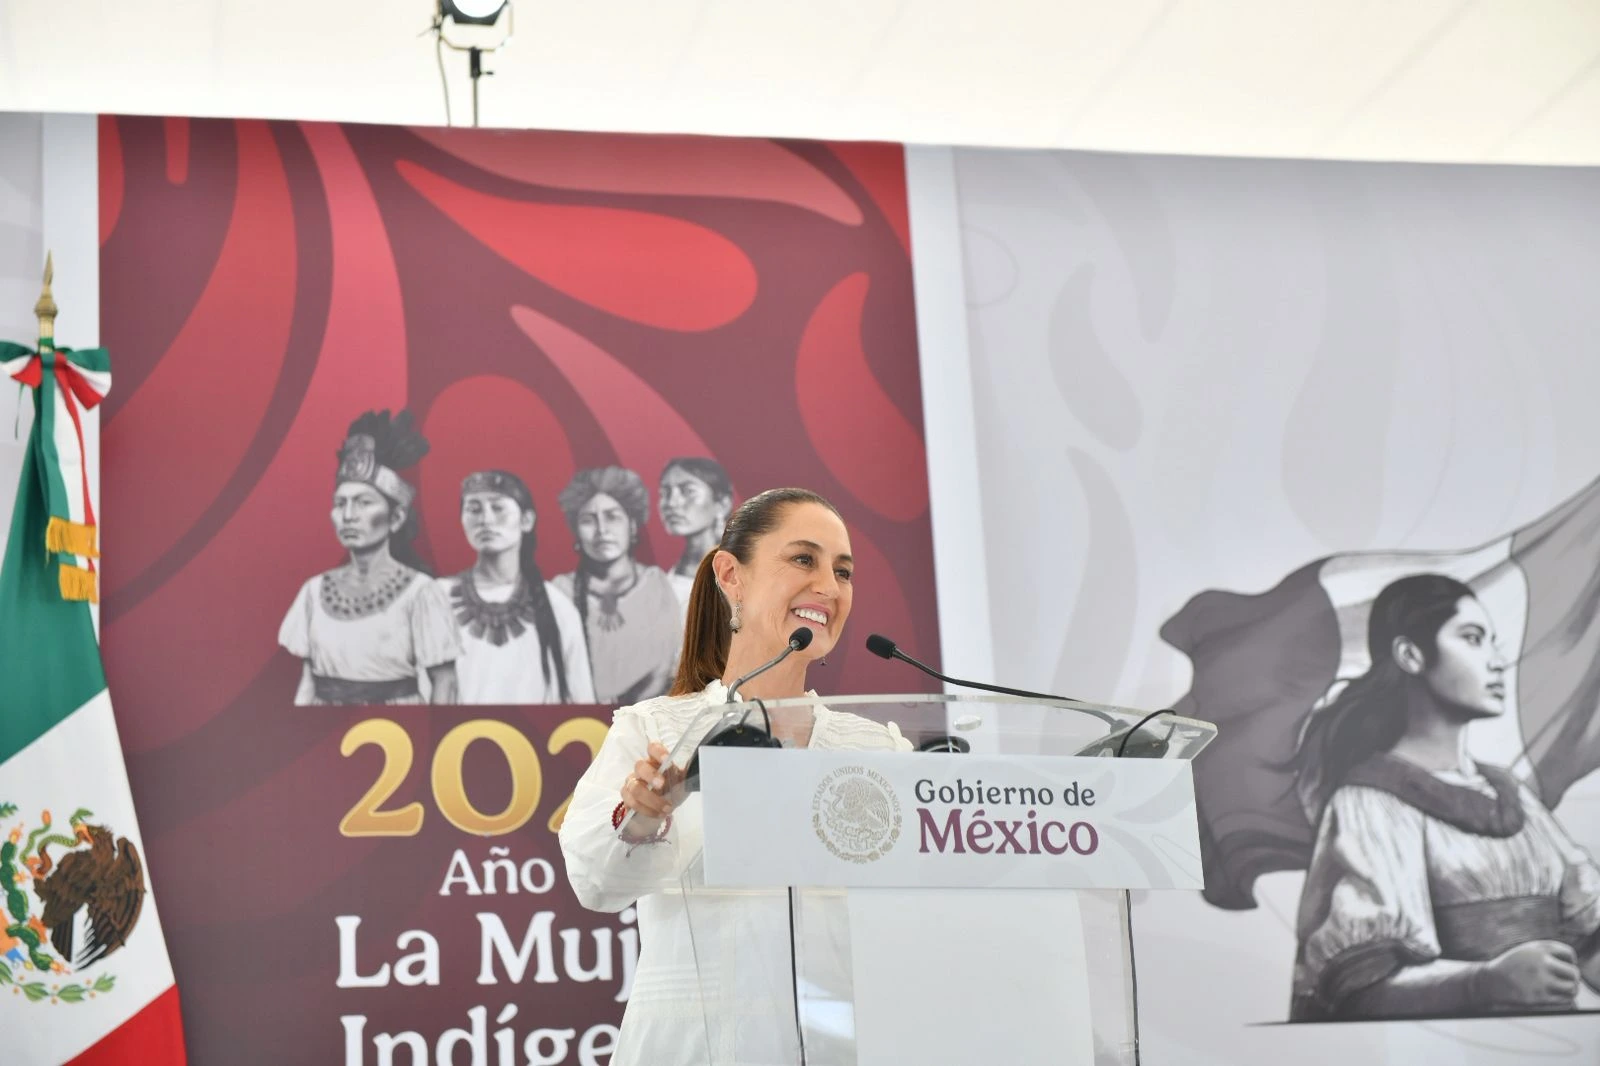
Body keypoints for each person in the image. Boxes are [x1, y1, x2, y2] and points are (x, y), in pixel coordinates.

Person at [558, 487, 910, 1066]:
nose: (829, 585)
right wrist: (646, 811)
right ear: (731, 575)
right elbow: (596, 884)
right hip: (695, 1046)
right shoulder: (655, 729)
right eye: (804, 559)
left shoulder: (876, 748)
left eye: (843, 571)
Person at [1289, 573, 1600, 1020]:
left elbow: (1589, 938)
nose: (1497, 662)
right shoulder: (1371, 802)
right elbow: (1358, 990)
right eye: (1472, 639)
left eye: (1493, 641)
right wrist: (1484, 982)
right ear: (1410, 655)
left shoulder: (1513, 797)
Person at [279, 410, 461, 705]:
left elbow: (446, 683)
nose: (349, 516)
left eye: (364, 503)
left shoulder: (422, 592)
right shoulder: (313, 591)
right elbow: (308, 682)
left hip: (399, 733)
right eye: (341, 504)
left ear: (396, 517)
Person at [437, 470, 595, 704]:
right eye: (474, 509)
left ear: (526, 520)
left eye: (498, 508)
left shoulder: (558, 607)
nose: (485, 519)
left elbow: (582, 702)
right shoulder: (438, 598)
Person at [551, 467, 681, 705]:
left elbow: (663, 668)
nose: (602, 530)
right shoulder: (560, 592)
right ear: (576, 532)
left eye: (612, 517)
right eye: (589, 520)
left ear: (632, 526)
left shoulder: (657, 585)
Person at [658, 457, 734, 611]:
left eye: (688, 491)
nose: (672, 503)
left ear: (721, 504)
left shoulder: (741, 570)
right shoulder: (665, 577)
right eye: (665, 493)